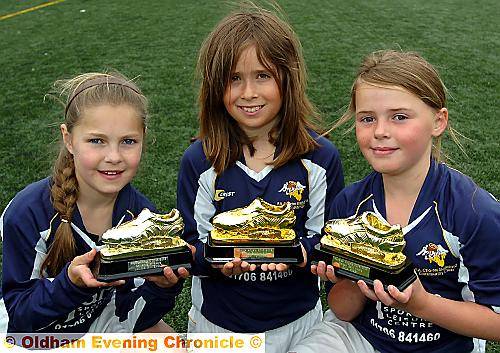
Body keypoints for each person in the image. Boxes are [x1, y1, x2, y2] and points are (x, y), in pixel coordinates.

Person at [291, 50, 500, 353]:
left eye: (399, 117)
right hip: (360, 336)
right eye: (367, 118)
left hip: (444, 345)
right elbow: (344, 310)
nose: (380, 131)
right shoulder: (350, 204)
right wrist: (351, 276)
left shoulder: (474, 211)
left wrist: (422, 304)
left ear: (438, 121)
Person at [176, 5, 344, 353]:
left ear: (288, 78)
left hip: (299, 324)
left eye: (263, 75)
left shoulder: (320, 158)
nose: (248, 92)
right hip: (218, 327)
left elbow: (330, 241)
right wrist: (219, 261)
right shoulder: (200, 160)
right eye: (234, 78)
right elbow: (191, 247)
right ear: (215, 86)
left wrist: (299, 253)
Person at [0, 72, 189, 335]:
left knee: (173, 343)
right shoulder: (28, 211)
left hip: (101, 323)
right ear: (69, 139)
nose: (113, 156)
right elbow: (20, 315)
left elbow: (133, 317)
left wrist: (162, 287)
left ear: (144, 139)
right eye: (96, 141)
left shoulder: (142, 218)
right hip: (37, 336)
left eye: (128, 141)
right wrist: (70, 284)